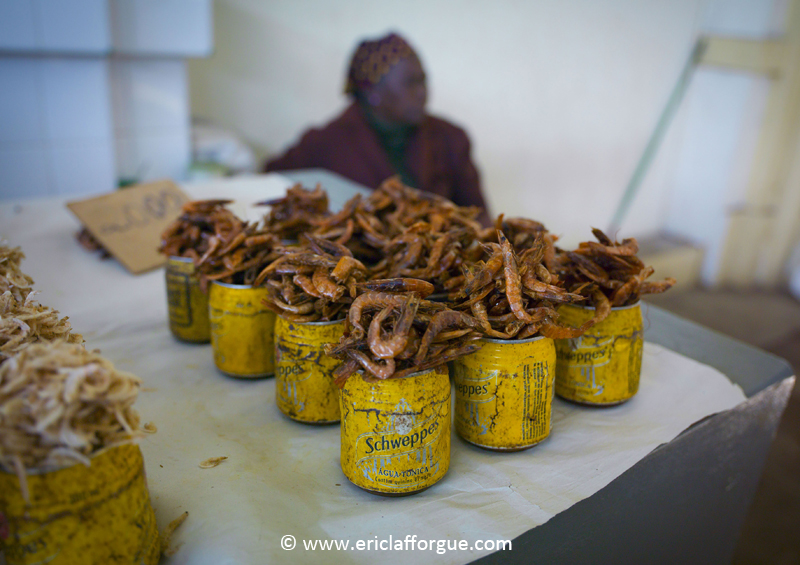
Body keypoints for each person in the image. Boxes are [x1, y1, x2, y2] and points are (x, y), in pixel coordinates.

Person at [264, 32, 489, 224]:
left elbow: (478, 216)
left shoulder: (451, 138)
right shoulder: (325, 143)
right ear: (373, 94)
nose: (423, 92)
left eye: (423, 80)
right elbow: (267, 185)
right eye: (411, 83)